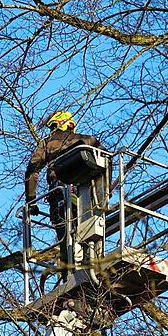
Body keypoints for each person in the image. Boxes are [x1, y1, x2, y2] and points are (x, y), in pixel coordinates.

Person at [25, 111, 101, 264]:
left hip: (59, 195)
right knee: (94, 233)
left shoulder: (48, 143)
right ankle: (95, 263)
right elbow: (106, 161)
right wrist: (104, 193)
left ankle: (69, 270)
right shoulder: (88, 140)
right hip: (90, 195)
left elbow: (32, 171)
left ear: (57, 124)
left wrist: (31, 200)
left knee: (66, 238)